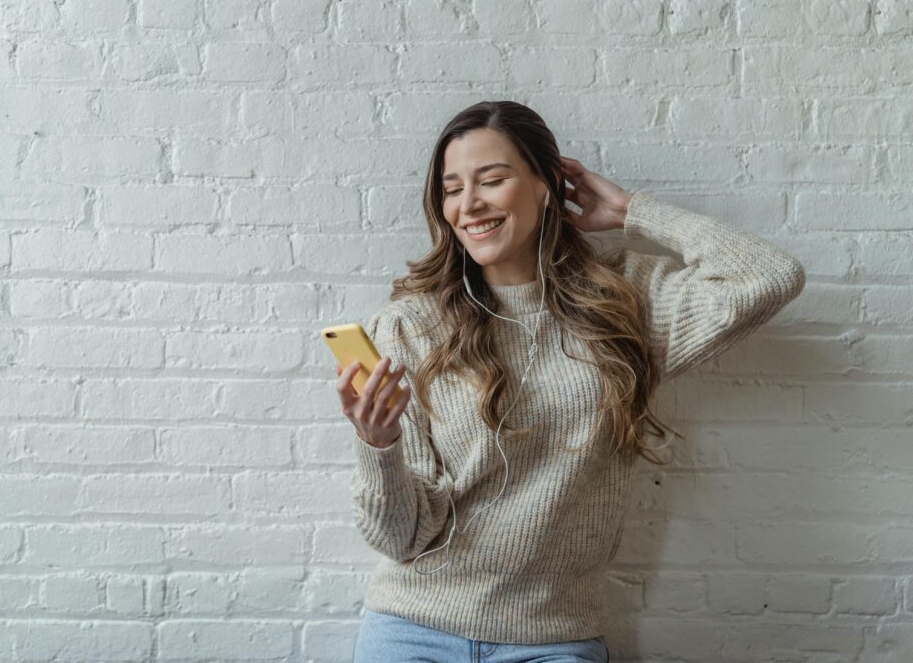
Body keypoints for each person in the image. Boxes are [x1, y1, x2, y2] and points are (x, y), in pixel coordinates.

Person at [333, 101, 806, 662]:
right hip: (413, 629)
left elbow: (770, 276)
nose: (469, 204)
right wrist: (378, 446)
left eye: (493, 179)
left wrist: (631, 210)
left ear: (546, 185)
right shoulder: (411, 326)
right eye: (451, 188)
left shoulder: (626, 300)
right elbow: (399, 538)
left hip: (552, 638)